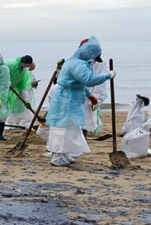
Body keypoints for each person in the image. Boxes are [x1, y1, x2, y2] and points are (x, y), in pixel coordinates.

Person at [45, 36, 114, 167]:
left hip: (72, 99)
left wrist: (91, 96)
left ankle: (66, 154)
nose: (93, 61)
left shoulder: (75, 61)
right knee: (61, 128)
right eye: (93, 57)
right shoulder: (78, 64)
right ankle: (57, 156)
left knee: (72, 128)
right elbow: (88, 79)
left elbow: (79, 84)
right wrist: (107, 75)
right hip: (65, 100)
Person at [0, 55, 35, 140]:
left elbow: (22, 87)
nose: (27, 67)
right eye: (26, 65)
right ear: (23, 62)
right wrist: (5, 80)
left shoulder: (23, 72)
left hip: (7, 90)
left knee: (4, 111)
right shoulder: (11, 64)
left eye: (29, 65)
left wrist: (27, 101)